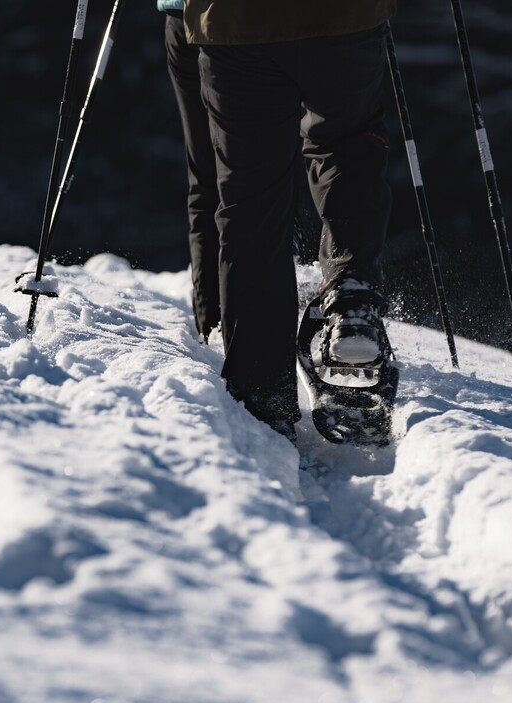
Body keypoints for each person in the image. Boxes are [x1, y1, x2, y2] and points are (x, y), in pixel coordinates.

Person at [183, 1, 397, 440]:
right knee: (346, 144)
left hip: (233, 20)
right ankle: (351, 296)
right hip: (343, 18)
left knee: (250, 199)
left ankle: (262, 399)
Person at [158, 0, 220, 343]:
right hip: (254, 24)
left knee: (207, 177)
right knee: (260, 175)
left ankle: (213, 325)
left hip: (182, 15)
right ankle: (249, 318)